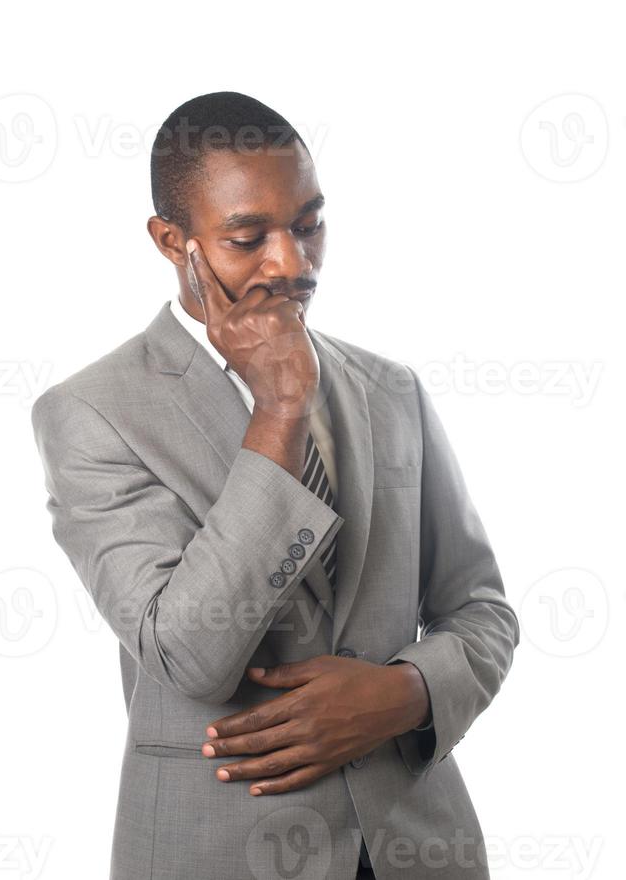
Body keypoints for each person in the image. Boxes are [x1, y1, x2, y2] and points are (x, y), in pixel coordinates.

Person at [31, 91, 519, 879]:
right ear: (171, 241)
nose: (291, 263)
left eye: (309, 225)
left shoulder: (392, 389)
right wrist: (280, 412)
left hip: (420, 847)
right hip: (220, 853)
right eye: (247, 237)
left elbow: (482, 608)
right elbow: (189, 657)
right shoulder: (92, 415)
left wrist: (406, 694)